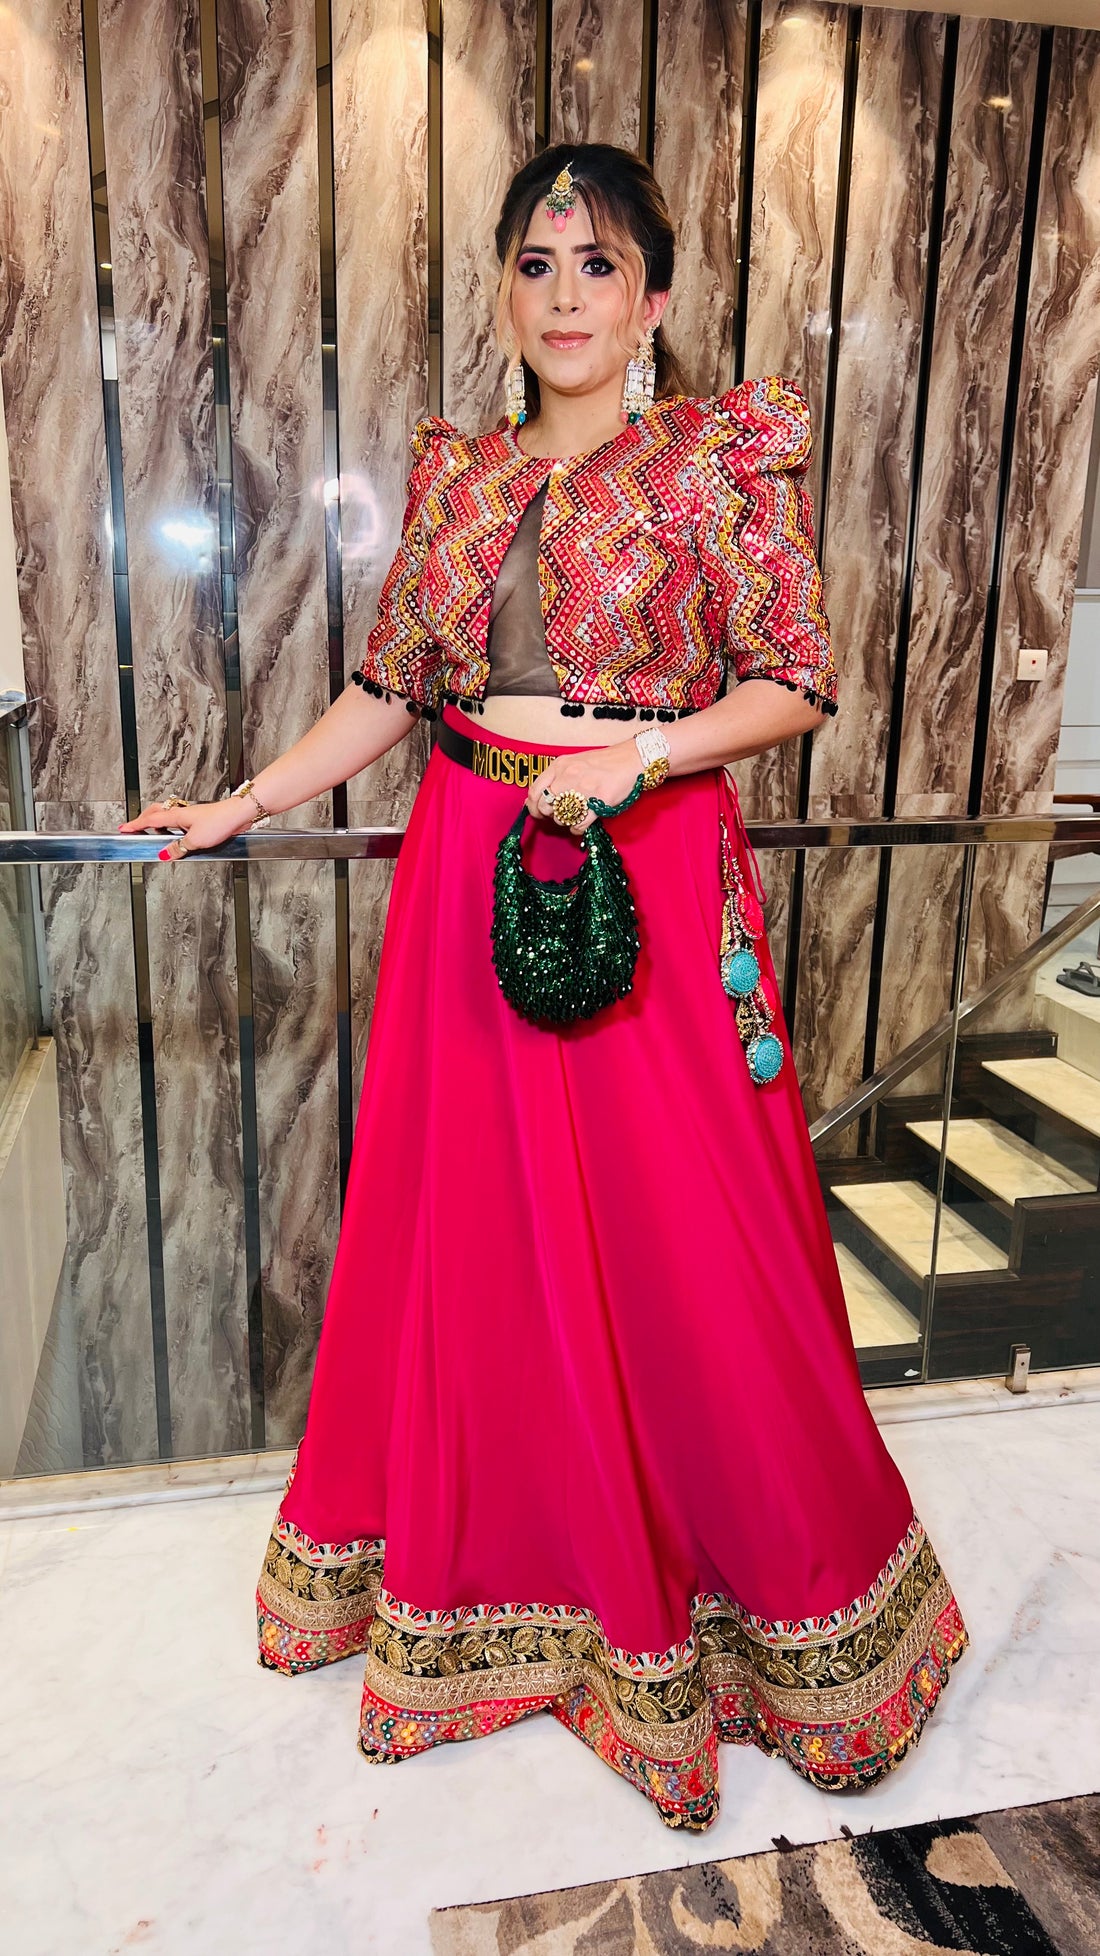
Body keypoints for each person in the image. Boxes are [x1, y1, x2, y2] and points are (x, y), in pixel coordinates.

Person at [122, 143, 968, 1832]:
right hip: (468, 865)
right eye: (536, 264)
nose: (565, 295)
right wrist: (239, 802)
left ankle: (764, 1613)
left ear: (653, 301)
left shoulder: (721, 461)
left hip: (645, 865)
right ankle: (504, 1591)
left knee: (685, 1231)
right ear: (506, 295)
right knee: (477, 1228)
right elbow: (394, 689)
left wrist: (639, 758)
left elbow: (795, 680)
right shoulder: (462, 476)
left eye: (599, 267)